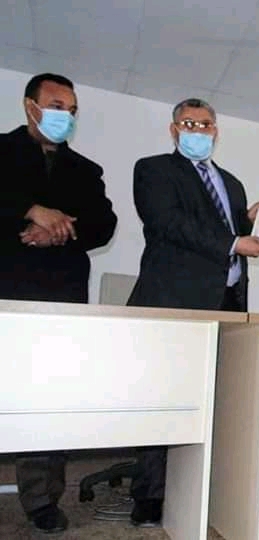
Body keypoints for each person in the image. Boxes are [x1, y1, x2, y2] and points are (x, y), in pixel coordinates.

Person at [127, 98, 259, 526]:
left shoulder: (232, 183)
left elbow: (230, 232)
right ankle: (150, 493)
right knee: (165, 397)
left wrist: (251, 224)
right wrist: (234, 241)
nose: (198, 130)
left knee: (218, 400)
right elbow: (168, 223)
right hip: (174, 300)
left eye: (206, 124)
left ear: (216, 131)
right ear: (174, 130)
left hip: (227, 302)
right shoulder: (154, 169)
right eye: (189, 123)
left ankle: (205, 488)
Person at [0, 72, 117, 533]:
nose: (64, 116)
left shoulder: (86, 170)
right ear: (30, 106)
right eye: (55, 106)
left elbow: (103, 225)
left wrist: (57, 230)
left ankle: (42, 500)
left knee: (48, 397)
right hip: (6, 288)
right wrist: (31, 211)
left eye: (71, 110)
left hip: (61, 296)